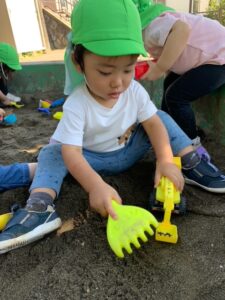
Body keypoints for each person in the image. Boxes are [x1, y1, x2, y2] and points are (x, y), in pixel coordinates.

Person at [0, 0, 224, 255]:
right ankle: (40, 207)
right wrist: (96, 186)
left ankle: (190, 162)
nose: (118, 83)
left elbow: (152, 124)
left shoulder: (135, 92)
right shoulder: (77, 104)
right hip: (90, 161)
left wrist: (164, 160)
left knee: (158, 117)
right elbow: (72, 155)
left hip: (129, 150)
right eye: (105, 72)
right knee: (53, 153)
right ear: (78, 62)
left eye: (128, 69)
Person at [132, 0, 225, 153]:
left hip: (219, 59)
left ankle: (193, 146)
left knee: (176, 96)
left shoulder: (150, 27)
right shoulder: (155, 23)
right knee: (169, 84)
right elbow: (174, 48)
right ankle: (168, 130)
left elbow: (181, 31)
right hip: (207, 57)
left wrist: (160, 67)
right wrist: (159, 63)